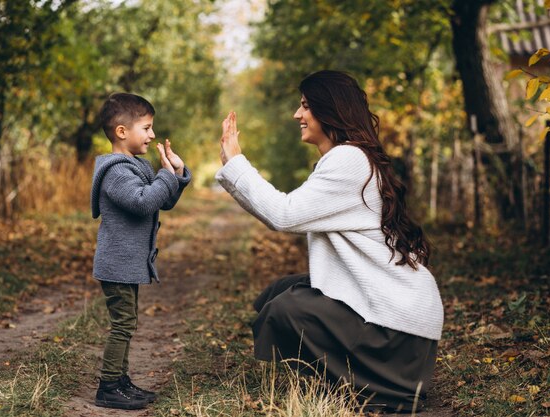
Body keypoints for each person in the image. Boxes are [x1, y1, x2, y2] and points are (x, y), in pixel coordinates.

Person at [215, 70, 444, 412]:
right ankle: (353, 377)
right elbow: (280, 214)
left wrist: (237, 163)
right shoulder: (349, 156)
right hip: (401, 327)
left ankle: (383, 390)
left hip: (397, 335)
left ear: (330, 110)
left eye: (306, 106)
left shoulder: (349, 159)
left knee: (286, 308)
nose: (298, 115)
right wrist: (233, 170)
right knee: (281, 291)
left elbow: (283, 213)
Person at [90, 92, 191, 410]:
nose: (152, 135)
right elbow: (143, 202)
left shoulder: (138, 166)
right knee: (123, 324)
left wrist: (176, 173)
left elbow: (164, 200)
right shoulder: (116, 172)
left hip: (128, 263)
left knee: (127, 322)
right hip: (117, 264)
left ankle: (120, 381)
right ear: (122, 132)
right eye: (146, 128)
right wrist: (163, 176)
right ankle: (108, 387)